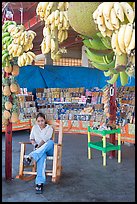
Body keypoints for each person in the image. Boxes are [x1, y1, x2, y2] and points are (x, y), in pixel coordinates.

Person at [23, 112, 54, 194]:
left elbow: (44, 140)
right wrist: (34, 144)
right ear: (36, 121)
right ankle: (39, 183)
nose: (40, 123)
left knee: (51, 142)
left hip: (48, 149)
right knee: (42, 156)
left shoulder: (49, 129)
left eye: (42, 121)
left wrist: (38, 146)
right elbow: (32, 139)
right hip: (40, 151)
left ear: (45, 120)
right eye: (39, 121)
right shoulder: (34, 128)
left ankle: (31, 156)